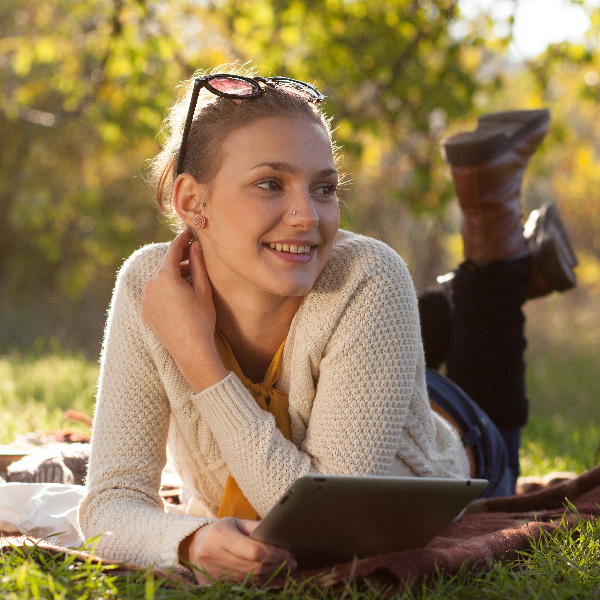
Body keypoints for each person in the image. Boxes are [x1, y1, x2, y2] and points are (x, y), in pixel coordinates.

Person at [78, 69, 576, 585]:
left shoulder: (369, 274)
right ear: (191, 201)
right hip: (350, 368)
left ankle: (490, 223)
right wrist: (190, 542)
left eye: (324, 188)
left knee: (480, 385)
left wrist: (196, 357)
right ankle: (496, 277)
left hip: (450, 441)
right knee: (368, 313)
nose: (307, 216)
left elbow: (321, 524)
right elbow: (108, 507)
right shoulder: (149, 285)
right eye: (270, 183)